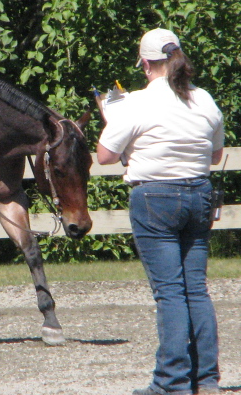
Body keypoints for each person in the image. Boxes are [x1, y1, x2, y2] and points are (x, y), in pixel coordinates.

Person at [97, 28, 224, 395]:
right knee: (195, 290)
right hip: (199, 194)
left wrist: (113, 121)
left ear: (147, 65)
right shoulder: (203, 99)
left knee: (169, 293)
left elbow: (105, 155)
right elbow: (214, 155)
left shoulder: (134, 102)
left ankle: (171, 382)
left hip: (154, 197)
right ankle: (207, 379)